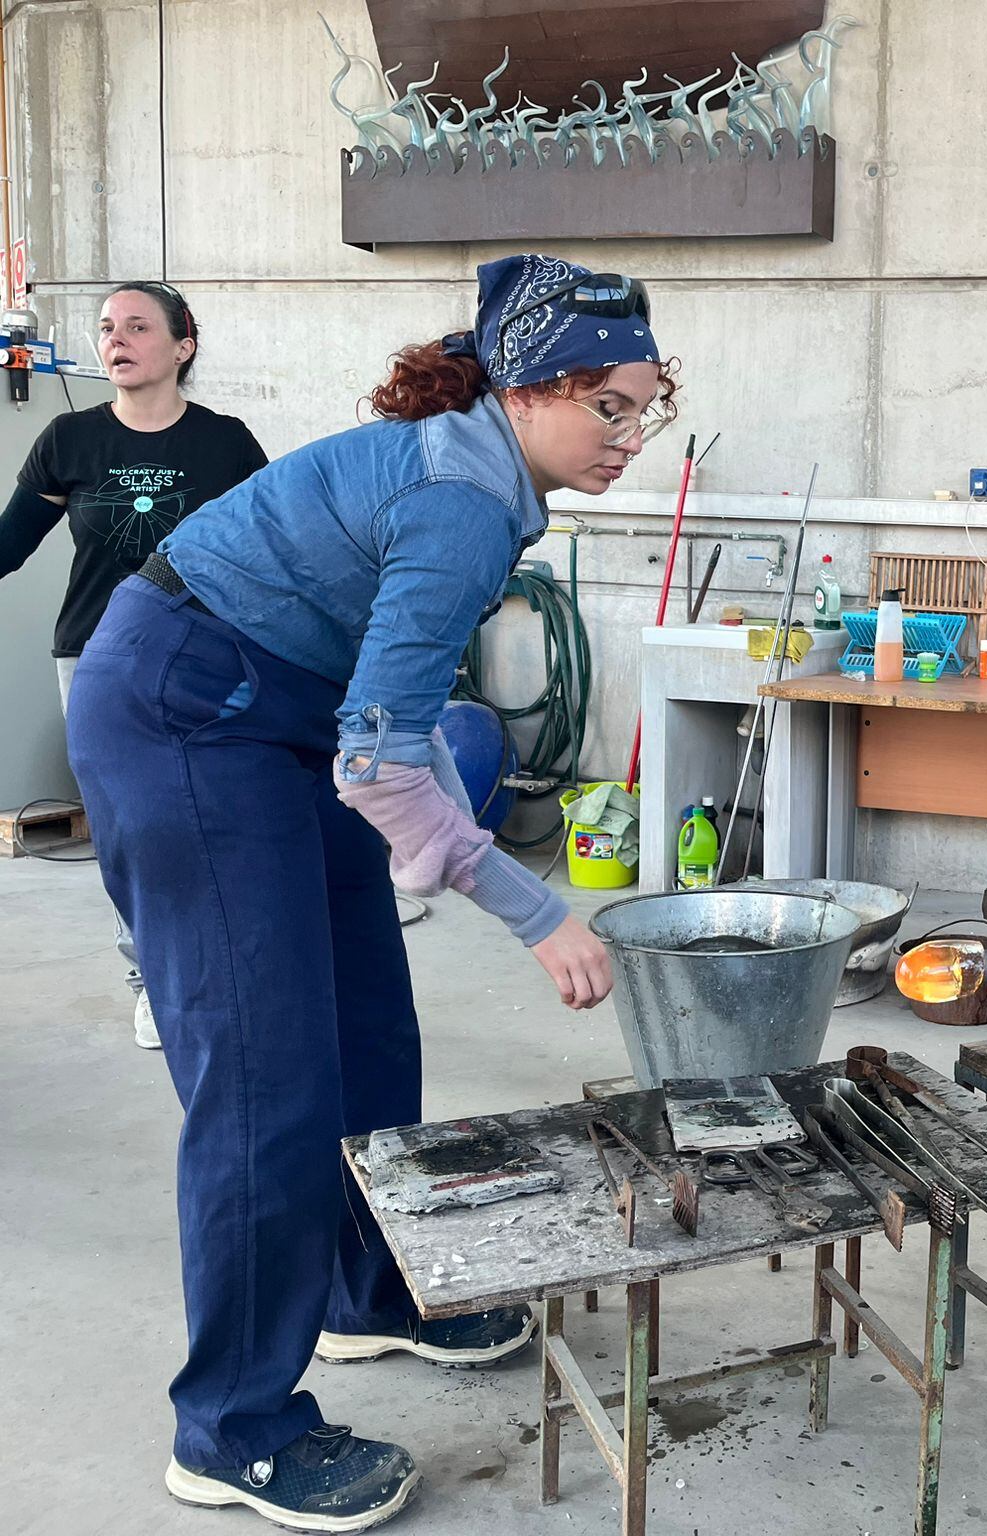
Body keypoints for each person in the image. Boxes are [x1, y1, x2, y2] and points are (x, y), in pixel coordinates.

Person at [65, 254, 678, 1534]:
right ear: (524, 390)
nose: (629, 435)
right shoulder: (463, 502)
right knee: (267, 1080)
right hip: (187, 713)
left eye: (644, 406)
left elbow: (386, 727)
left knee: (365, 1029)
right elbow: (384, 766)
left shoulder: (488, 477)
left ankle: (367, 1290)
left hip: (281, 714)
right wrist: (539, 914)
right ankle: (233, 1429)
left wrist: (447, 833)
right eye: (606, 405)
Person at [0, 281, 266, 1048]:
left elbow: (270, 549)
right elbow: (8, 546)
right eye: (107, 327)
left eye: (138, 326)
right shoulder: (69, 440)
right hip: (94, 658)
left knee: (211, 820)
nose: (116, 339)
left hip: (206, 656)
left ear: (183, 345)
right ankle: (150, 981)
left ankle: (221, 971)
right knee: (128, 829)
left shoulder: (226, 443)